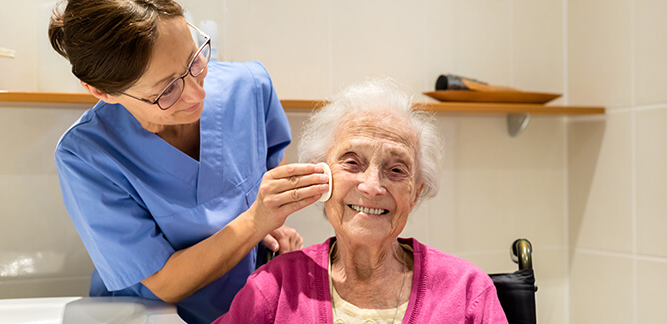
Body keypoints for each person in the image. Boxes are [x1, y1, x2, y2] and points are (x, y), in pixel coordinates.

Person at [48, 1, 329, 323]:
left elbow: (261, 182)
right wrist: (255, 223)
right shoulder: (87, 155)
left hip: (249, 308)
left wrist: (269, 229)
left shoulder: (249, 87)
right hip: (148, 316)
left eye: (194, 60)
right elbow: (163, 283)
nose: (197, 94)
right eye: (167, 90)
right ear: (101, 91)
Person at [214, 79, 508, 323]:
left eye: (396, 170)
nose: (372, 187)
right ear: (321, 175)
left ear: (415, 193)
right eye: (352, 162)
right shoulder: (275, 288)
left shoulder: (468, 291)